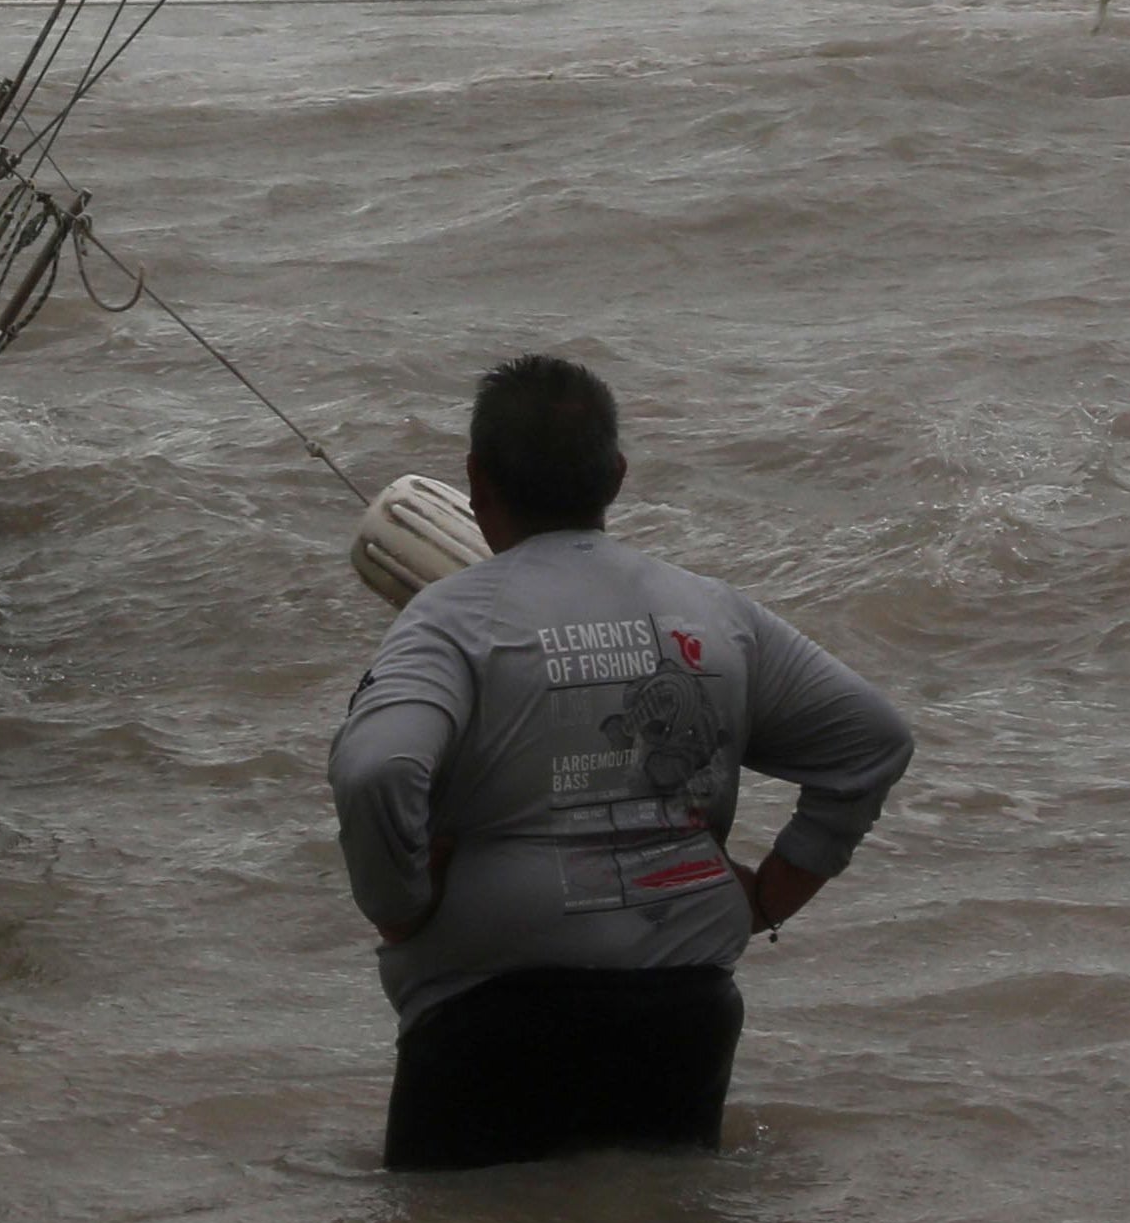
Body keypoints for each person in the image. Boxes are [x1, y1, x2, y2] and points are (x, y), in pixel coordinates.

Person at [328, 354, 915, 1173]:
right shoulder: (712, 612)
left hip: (488, 1012)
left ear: (474, 480)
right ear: (615, 475)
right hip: (683, 1007)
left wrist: (400, 904)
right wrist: (776, 889)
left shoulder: (447, 621)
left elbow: (377, 769)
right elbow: (873, 738)